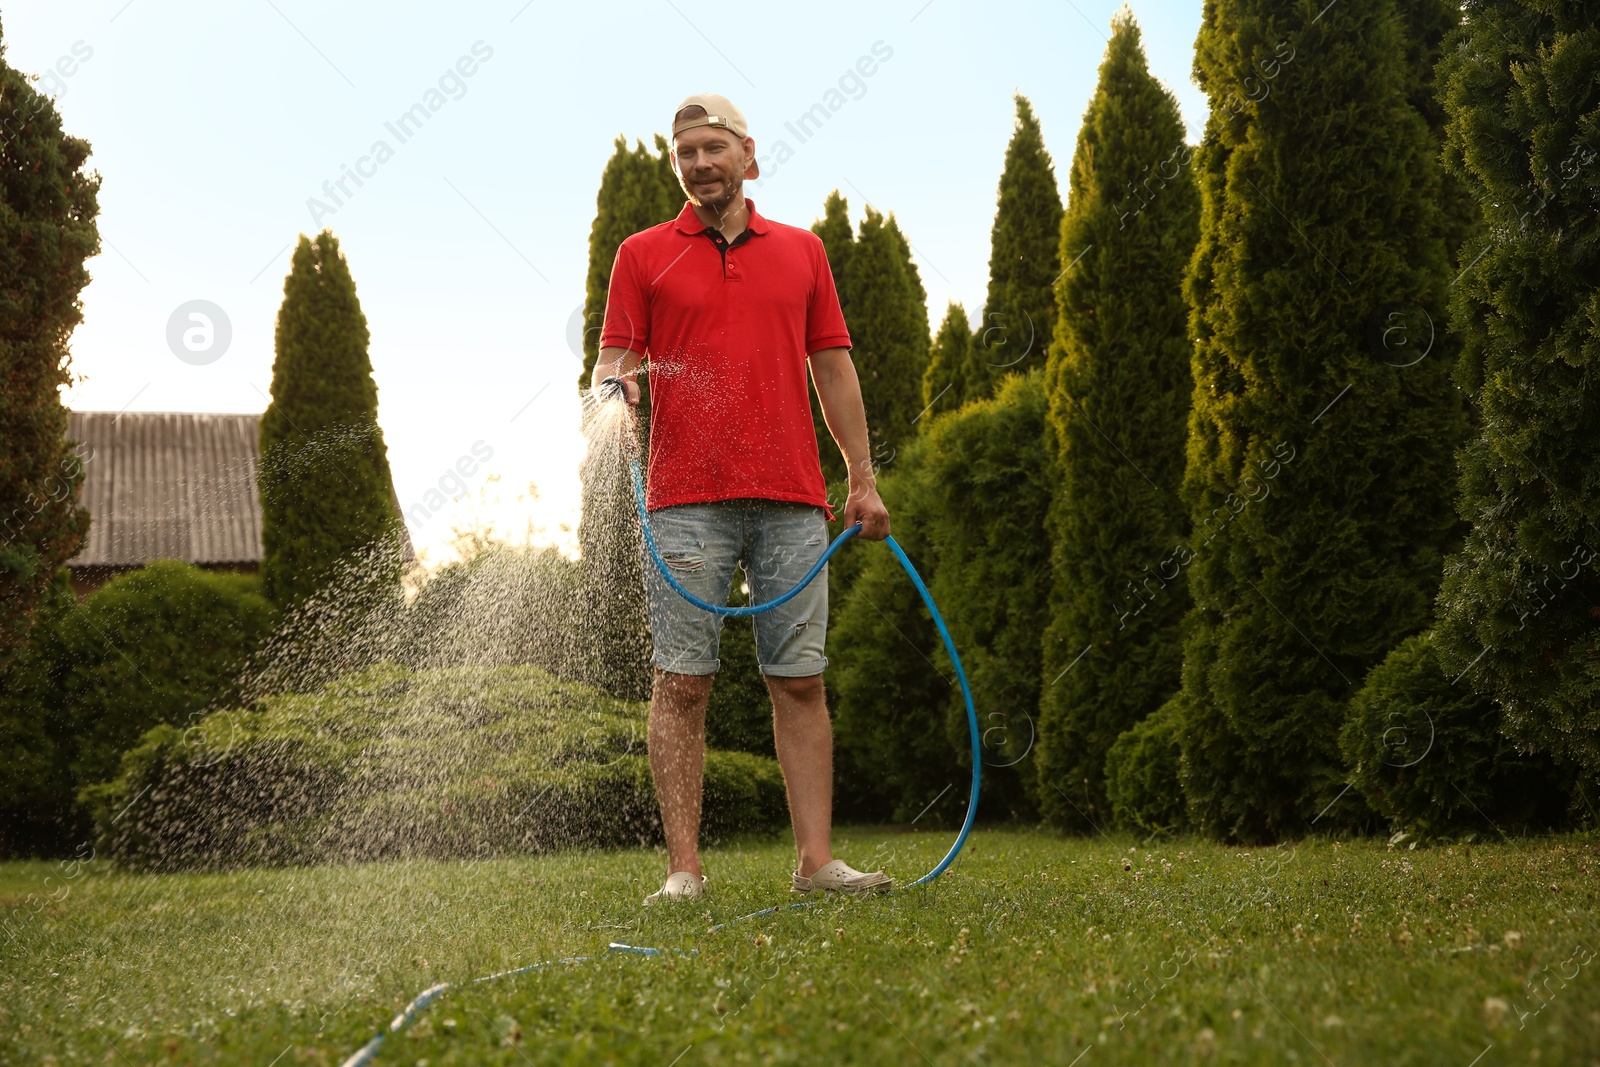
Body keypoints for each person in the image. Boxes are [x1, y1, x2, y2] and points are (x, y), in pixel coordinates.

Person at [592, 93, 893, 905]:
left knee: (799, 680)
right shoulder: (642, 254)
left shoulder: (802, 252)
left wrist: (860, 477)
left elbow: (832, 368)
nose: (698, 164)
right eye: (684, 152)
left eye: (712, 148)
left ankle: (816, 863)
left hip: (794, 497)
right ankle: (684, 871)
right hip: (684, 499)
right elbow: (613, 363)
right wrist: (614, 390)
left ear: (748, 156)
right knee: (682, 683)